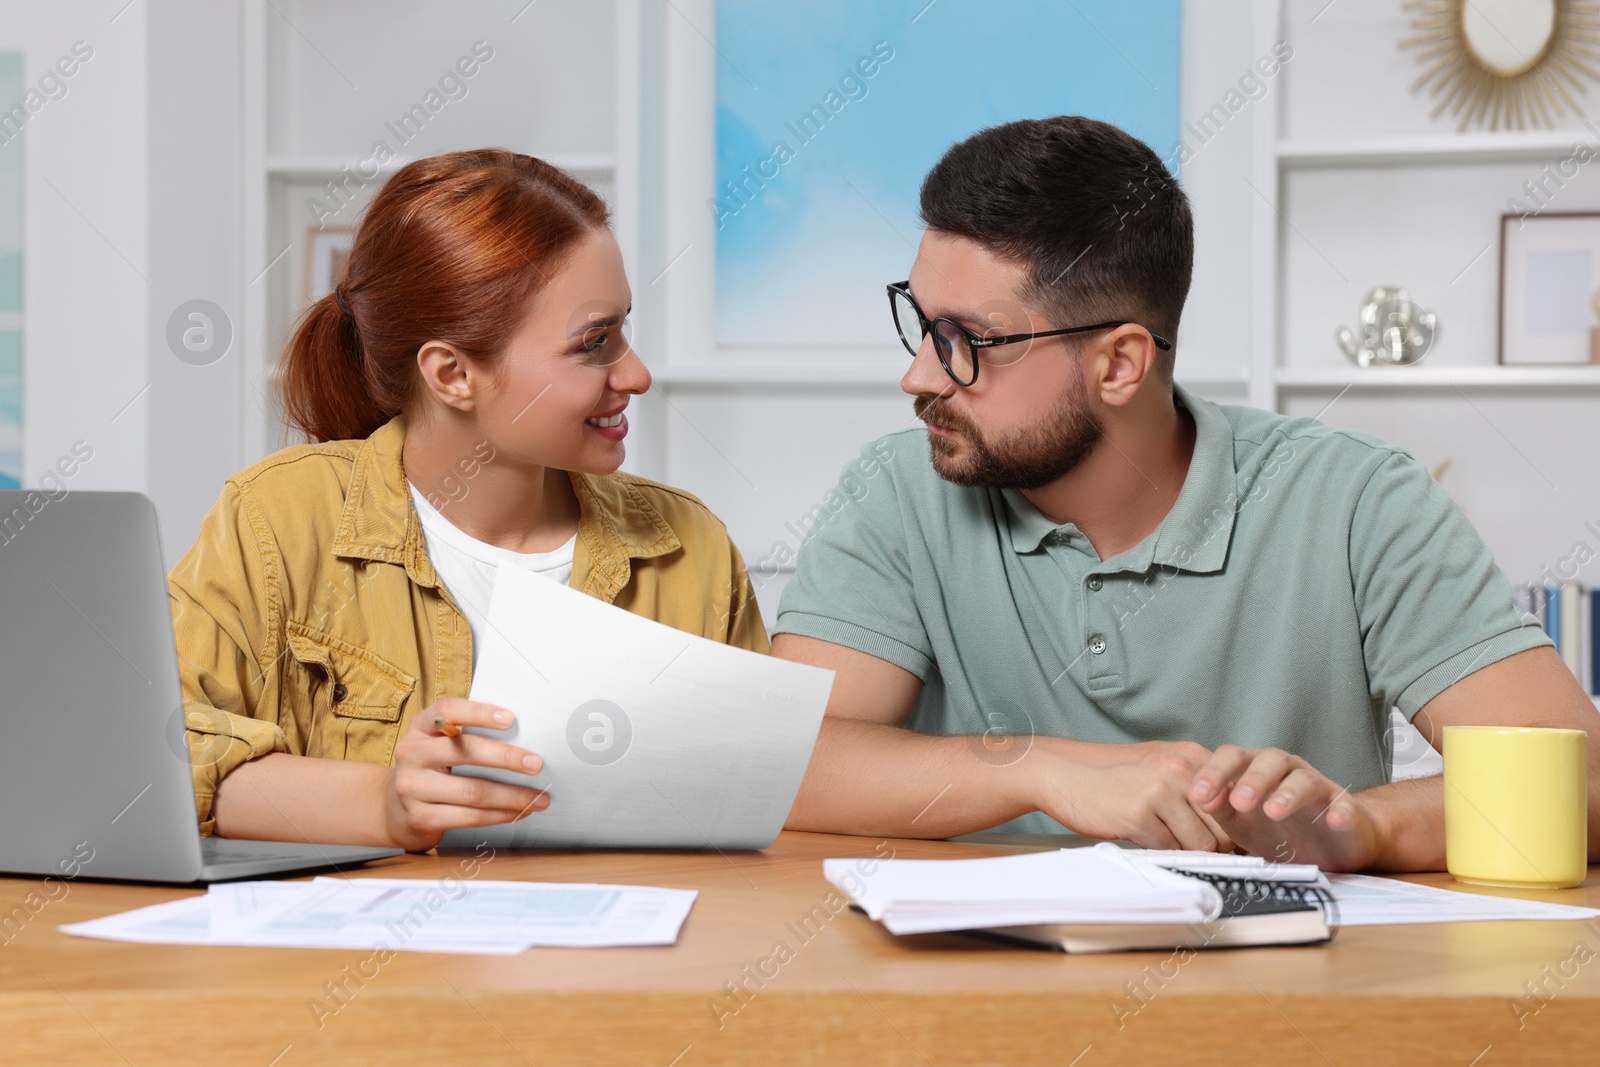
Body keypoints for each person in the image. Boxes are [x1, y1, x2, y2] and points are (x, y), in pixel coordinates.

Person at [772, 116, 1600, 872]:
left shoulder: (1359, 499)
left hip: (1292, 1010)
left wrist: (1363, 826)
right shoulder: (895, 488)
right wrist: (1041, 768)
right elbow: (786, 766)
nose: (918, 375)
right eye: (921, 325)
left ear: (1120, 364)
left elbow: (1585, 784)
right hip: (972, 1009)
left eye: (966, 341)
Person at [171, 149, 766, 852]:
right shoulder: (276, 519)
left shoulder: (689, 547)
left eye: (624, 330)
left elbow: (755, 797)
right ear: (452, 373)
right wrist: (385, 803)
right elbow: (160, 755)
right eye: (594, 343)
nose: (635, 373)